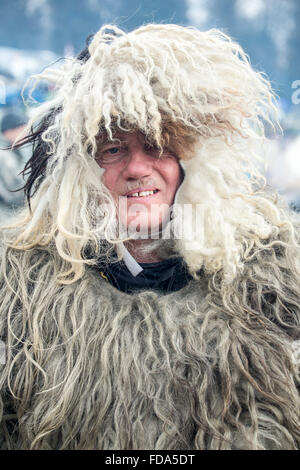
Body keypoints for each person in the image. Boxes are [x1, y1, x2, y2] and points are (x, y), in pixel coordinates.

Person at [0, 23, 299, 451]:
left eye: (157, 146)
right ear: (83, 171)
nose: (138, 168)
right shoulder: (24, 299)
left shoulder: (269, 288)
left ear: (190, 161)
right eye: (114, 150)